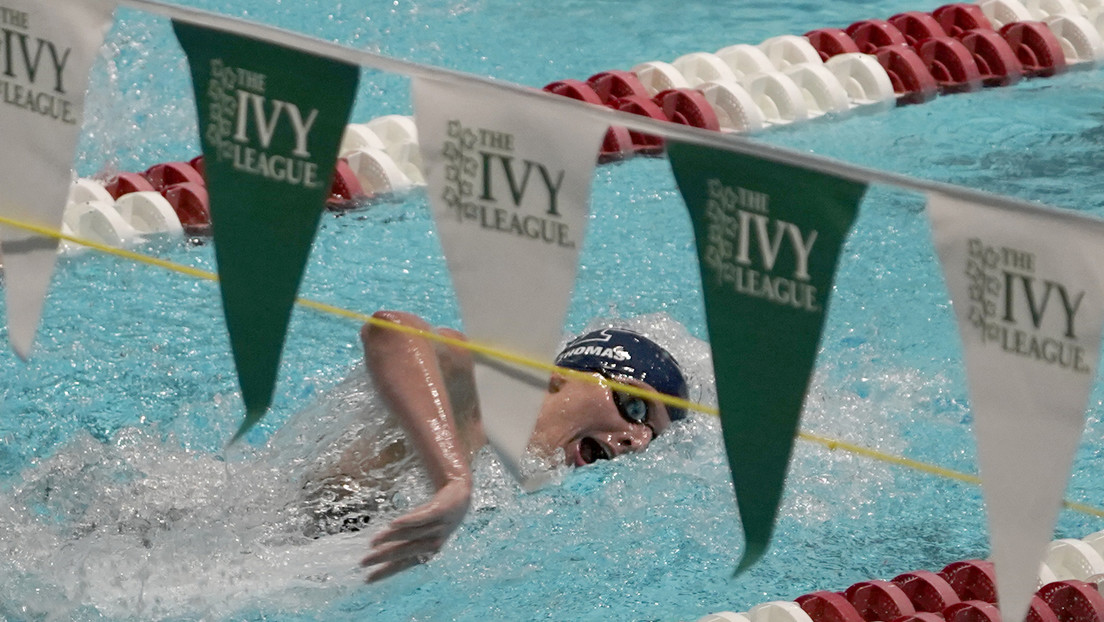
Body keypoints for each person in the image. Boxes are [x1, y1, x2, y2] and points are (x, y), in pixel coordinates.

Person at [352, 309, 690, 582]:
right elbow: (391, 330)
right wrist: (453, 478)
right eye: (635, 407)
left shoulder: (531, 491)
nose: (638, 440)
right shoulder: (477, 396)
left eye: (652, 436)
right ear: (555, 376)